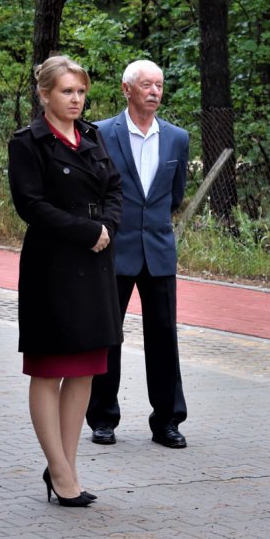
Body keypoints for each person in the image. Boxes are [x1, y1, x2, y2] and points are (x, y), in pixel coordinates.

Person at [8, 56, 124, 507]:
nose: (75, 99)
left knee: (84, 370)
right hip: (53, 266)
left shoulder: (92, 136)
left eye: (80, 91)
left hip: (96, 262)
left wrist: (107, 227)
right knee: (49, 369)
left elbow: (114, 188)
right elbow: (30, 205)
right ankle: (57, 470)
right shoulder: (28, 142)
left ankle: (67, 467)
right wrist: (86, 232)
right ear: (45, 95)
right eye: (66, 91)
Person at [86, 60, 191, 449]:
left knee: (164, 337)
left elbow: (174, 195)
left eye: (160, 85)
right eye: (146, 84)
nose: (155, 91)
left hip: (159, 250)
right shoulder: (100, 132)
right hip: (114, 248)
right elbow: (94, 191)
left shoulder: (177, 138)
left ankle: (167, 420)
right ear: (126, 89)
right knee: (108, 334)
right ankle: (102, 417)